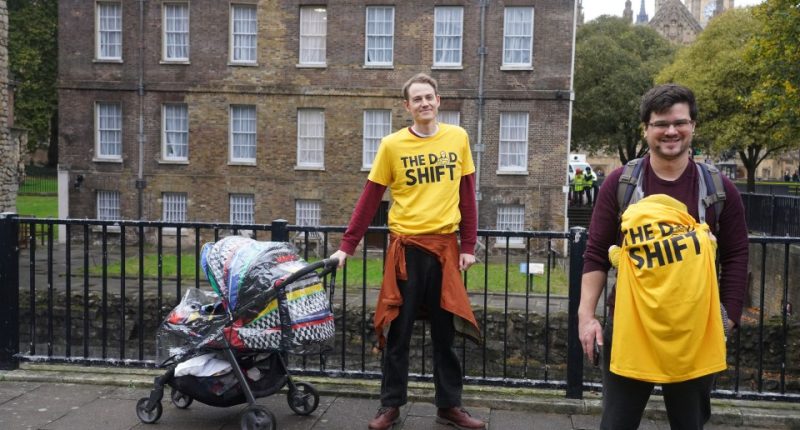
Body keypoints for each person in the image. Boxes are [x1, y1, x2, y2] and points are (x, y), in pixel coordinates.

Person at [578, 84, 749, 430]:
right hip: (629, 325)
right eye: (660, 124)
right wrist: (586, 316)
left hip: (694, 329)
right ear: (646, 129)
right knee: (616, 424)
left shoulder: (717, 189)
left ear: (693, 126)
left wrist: (728, 316)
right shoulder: (621, 184)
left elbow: (736, 255)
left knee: (689, 424)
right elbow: (596, 254)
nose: (671, 131)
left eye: (679, 122)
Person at [329, 73, 485, 430]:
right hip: (405, 251)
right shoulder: (392, 146)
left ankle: (449, 406)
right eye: (417, 99)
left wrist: (468, 245)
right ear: (407, 107)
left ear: (439, 100)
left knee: (445, 334)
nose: (424, 103)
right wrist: (346, 247)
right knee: (397, 333)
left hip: (445, 249)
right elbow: (370, 199)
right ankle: (391, 407)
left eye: (429, 97)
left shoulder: (458, 138)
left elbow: (467, 195)